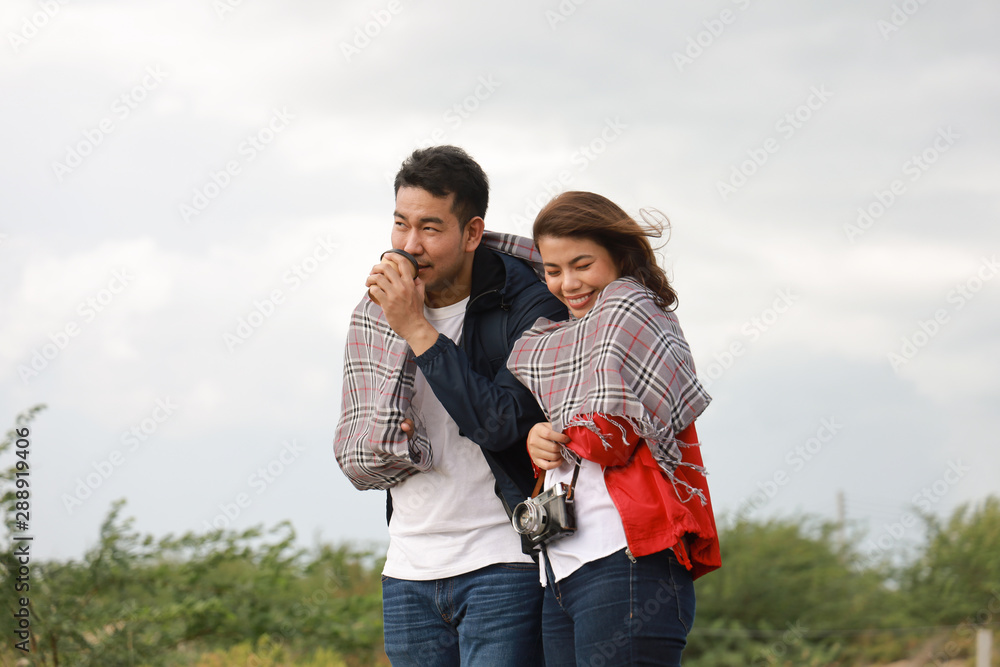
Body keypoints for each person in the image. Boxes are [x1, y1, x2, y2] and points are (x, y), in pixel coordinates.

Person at [333, 145, 568, 666]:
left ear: (472, 233)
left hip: (502, 560)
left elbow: (502, 423)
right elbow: (362, 442)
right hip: (408, 567)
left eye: (431, 228)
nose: (409, 245)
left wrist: (416, 328)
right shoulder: (374, 314)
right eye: (400, 224)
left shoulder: (526, 301)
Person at [506, 191, 722, 667]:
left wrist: (561, 430)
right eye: (553, 270)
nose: (568, 283)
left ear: (618, 255)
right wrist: (540, 438)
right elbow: (576, 430)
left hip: (627, 563)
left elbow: (608, 436)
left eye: (582, 264)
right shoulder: (559, 339)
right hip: (560, 570)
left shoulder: (631, 310)